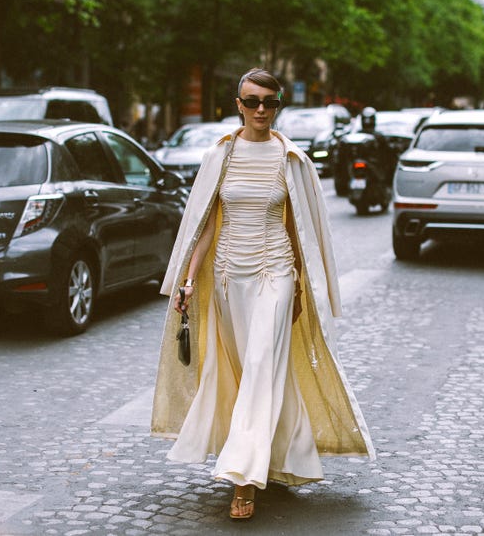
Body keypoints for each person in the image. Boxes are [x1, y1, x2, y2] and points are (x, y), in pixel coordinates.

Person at [151, 68, 374, 520]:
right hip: (230, 278)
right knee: (243, 370)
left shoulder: (291, 158)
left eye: (268, 103)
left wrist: (301, 291)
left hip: (276, 272)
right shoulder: (222, 155)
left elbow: (300, 228)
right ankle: (282, 456)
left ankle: (244, 480)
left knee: (257, 368)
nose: (259, 110)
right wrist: (190, 280)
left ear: (277, 106)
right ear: (237, 103)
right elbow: (206, 223)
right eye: (250, 101)